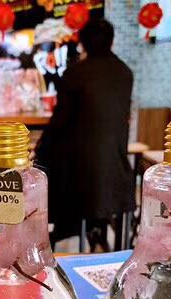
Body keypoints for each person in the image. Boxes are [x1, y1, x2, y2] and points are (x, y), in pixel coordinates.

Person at [36, 19, 135, 250]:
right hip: (116, 172)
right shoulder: (125, 72)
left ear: (83, 43)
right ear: (112, 41)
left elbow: (59, 121)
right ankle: (94, 230)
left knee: (46, 164)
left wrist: (40, 148)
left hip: (79, 175)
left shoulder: (76, 73)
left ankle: (62, 232)